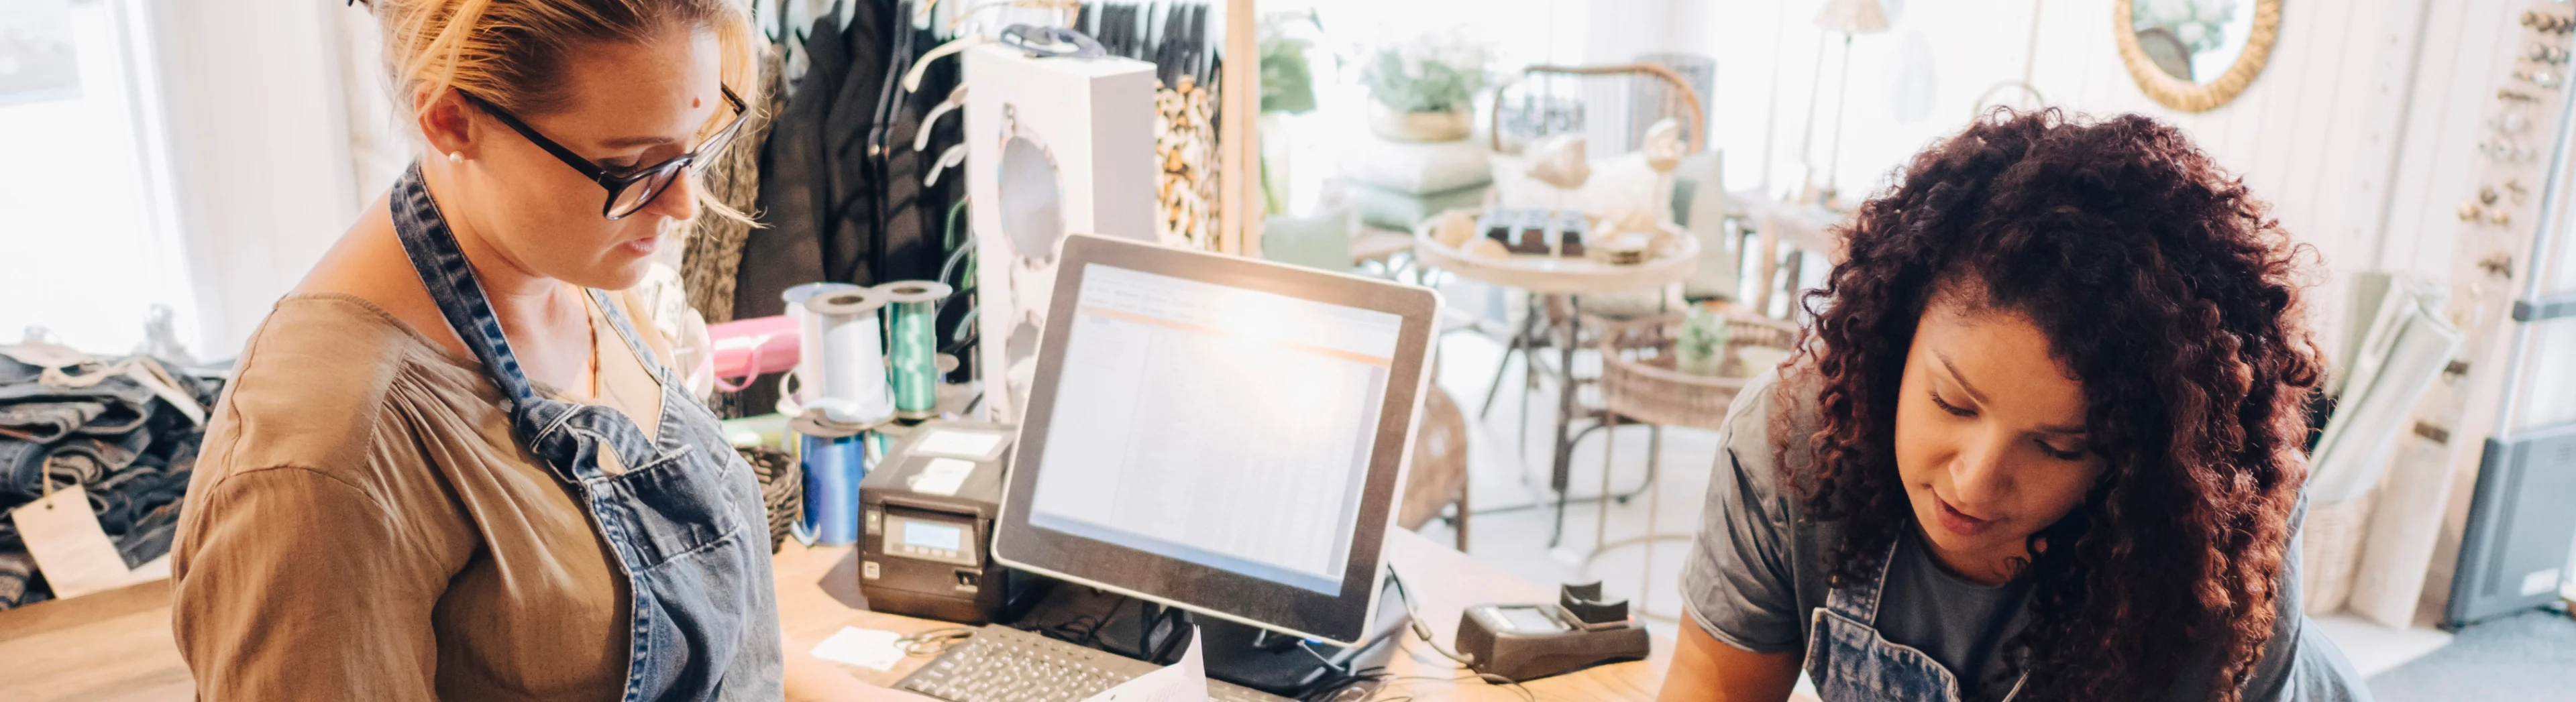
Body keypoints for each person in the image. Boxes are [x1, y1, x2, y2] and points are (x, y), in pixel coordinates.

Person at [166, 1, 923, 699]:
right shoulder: (326, 466)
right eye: (634, 166)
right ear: (452, 120)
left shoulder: (583, 268)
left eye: (697, 145)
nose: (683, 203)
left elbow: (720, 635)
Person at [1658, 111, 2370, 702]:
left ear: (2132, 455)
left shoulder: (2203, 535)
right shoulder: (1795, 436)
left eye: (2058, 446)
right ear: (1896, 341)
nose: (1974, 481)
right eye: (1951, 403)